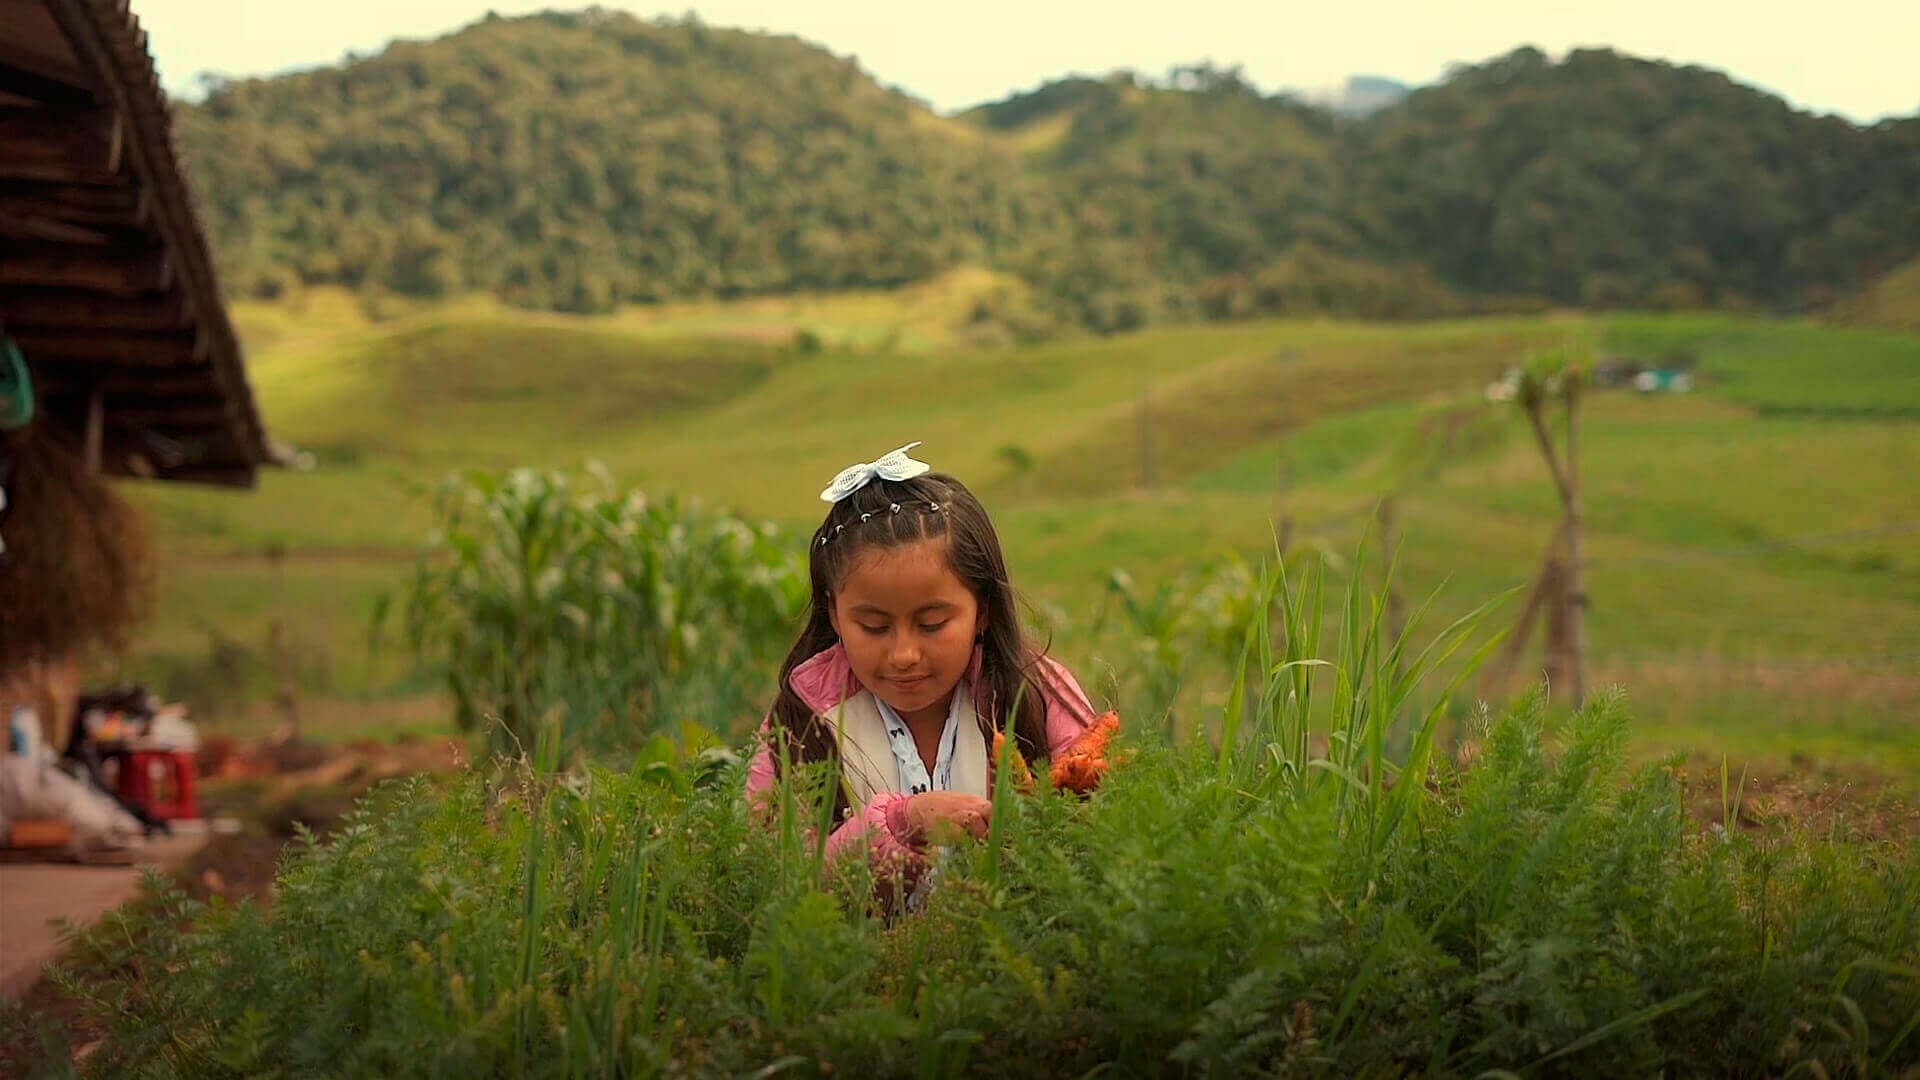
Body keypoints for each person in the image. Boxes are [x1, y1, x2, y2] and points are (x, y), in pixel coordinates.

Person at [745, 442, 1101, 896]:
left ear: (984, 609)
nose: (904, 654)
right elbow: (769, 877)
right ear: (834, 615)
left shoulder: (1035, 696)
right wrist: (901, 823)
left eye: (932, 624)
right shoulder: (799, 722)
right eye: (873, 626)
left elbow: (1094, 841)